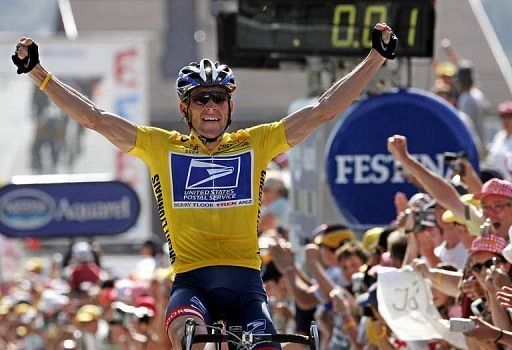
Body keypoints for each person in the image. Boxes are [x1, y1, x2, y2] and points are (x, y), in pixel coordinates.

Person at [12, 23, 397, 349]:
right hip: (192, 281)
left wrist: (376, 58)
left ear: (230, 107)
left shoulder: (256, 143)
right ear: (185, 109)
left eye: (218, 99)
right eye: (200, 100)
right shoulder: (162, 147)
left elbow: (323, 110)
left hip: (246, 283)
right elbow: (95, 118)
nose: (210, 107)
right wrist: (37, 73)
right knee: (188, 335)